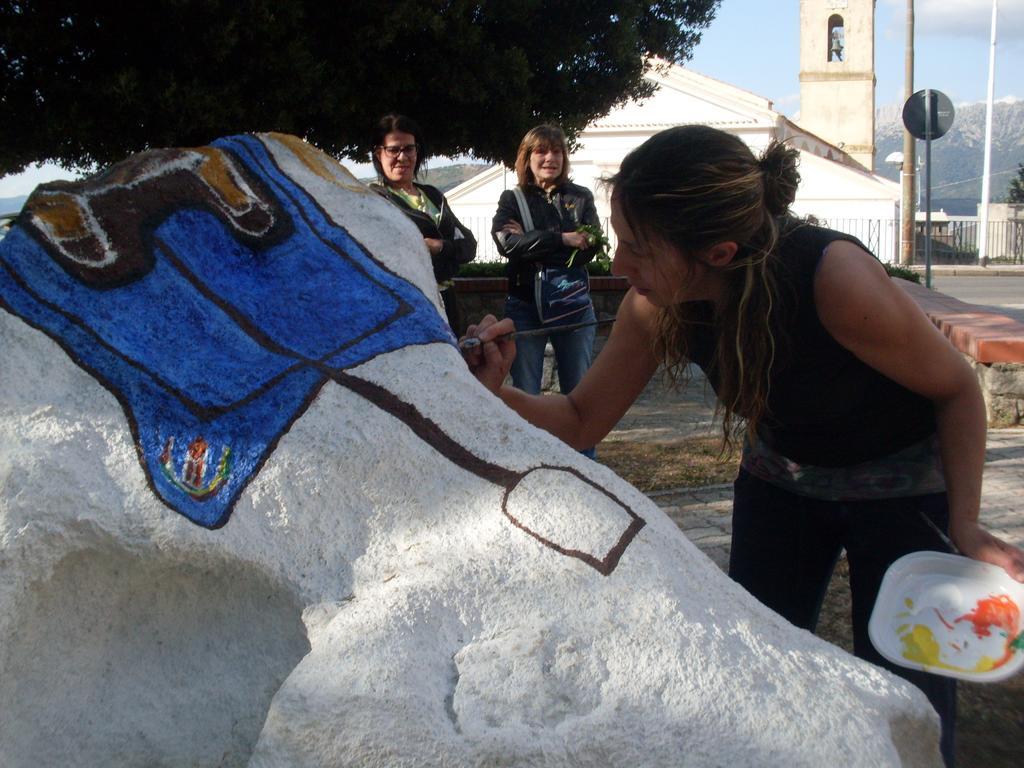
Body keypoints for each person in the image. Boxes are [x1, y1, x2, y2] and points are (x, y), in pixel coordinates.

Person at [466, 125, 1024, 767]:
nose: (618, 267)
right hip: (780, 484)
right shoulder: (658, 303)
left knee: (909, 689)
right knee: (762, 670)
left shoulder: (832, 278)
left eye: (639, 249)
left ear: (719, 252)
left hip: (900, 489)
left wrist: (966, 524)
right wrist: (494, 392)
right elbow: (580, 417)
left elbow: (957, 389)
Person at [491, 125, 604, 418]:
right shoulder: (512, 199)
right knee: (525, 393)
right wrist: (563, 239)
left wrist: (530, 239)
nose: (550, 158)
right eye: (541, 151)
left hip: (573, 303)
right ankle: (532, 459)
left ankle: (581, 459)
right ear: (527, 158)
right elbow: (506, 244)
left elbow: (590, 248)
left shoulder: (581, 197)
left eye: (557, 151)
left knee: (579, 392)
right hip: (525, 306)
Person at [370, 113, 476, 332]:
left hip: (448, 302)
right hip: (406, 306)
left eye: (409, 148)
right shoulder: (373, 200)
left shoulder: (434, 196)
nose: (402, 156)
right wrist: (448, 250)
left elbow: (469, 246)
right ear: (379, 153)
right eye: (393, 149)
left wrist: (440, 246)